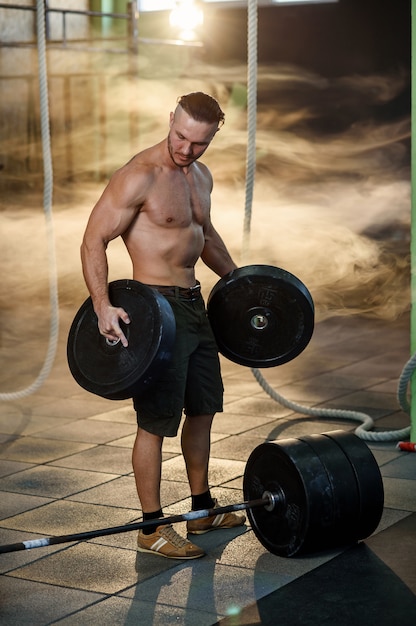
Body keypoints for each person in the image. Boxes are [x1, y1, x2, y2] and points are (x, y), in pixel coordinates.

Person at [80, 92, 245, 560]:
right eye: (180, 137)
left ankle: (201, 509)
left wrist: (237, 281)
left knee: (203, 408)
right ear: (170, 119)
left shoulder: (200, 176)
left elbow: (202, 234)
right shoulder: (139, 176)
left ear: (212, 137)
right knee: (155, 422)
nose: (186, 149)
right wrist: (102, 306)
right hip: (156, 310)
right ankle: (152, 528)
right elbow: (93, 238)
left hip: (195, 305)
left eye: (199, 143)